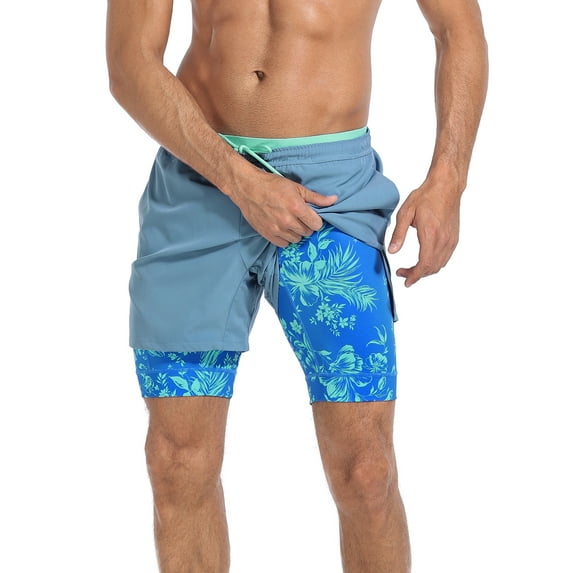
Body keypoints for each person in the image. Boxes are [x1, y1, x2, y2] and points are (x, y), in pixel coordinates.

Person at [106, 0, 488, 571]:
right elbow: (129, 60)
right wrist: (239, 181)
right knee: (177, 462)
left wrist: (448, 179)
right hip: (200, 178)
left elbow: (457, 27)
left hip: (333, 196)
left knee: (365, 470)